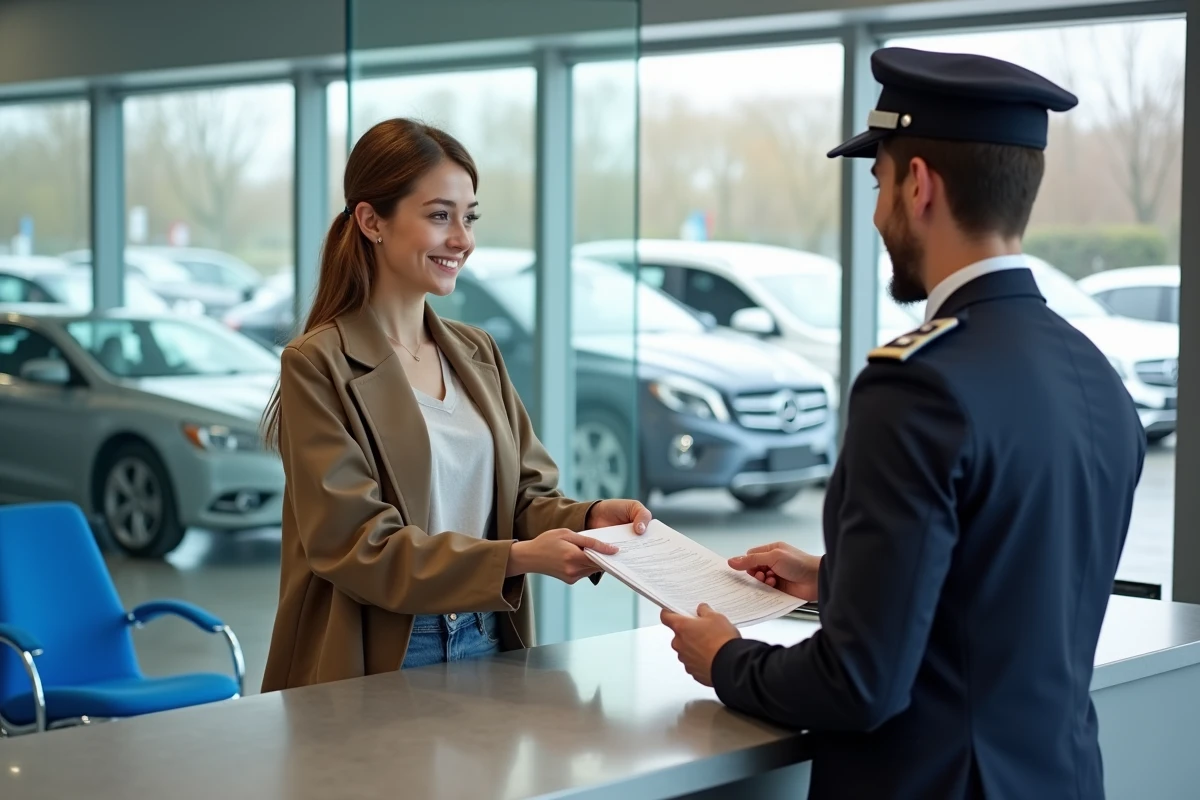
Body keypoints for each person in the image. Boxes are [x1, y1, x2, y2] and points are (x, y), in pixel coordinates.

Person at [661, 47, 1146, 799]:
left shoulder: (918, 383)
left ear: (918, 185)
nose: (877, 212)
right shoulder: (1091, 370)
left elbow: (860, 683)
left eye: (878, 183)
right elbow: (1013, 585)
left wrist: (726, 658)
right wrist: (834, 578)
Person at [260, 118, 651, 691]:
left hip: (488, 630)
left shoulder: (476, 351)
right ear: (371, 221)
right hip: (385, 648)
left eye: (469, 218)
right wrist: (517, 558)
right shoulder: (317, 363)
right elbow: (358, 546)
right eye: (440, 216)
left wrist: (588, 519)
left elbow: (525, 497)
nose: (463, 240)